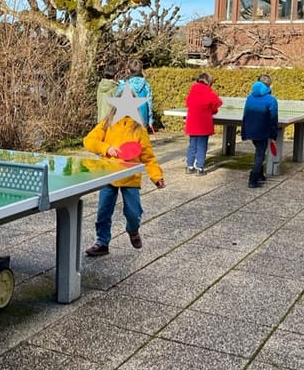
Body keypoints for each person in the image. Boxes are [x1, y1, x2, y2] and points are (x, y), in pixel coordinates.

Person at [82, 100, 166, 257]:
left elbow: (148, 157)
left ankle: (133, 229)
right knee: (103, 212)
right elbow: (89, 141)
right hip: (108, 175)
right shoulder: (107, 124)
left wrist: (157, 176)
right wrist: (106, 148)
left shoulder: (139, 129)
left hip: (130, 177)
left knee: (134, 213)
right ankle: (102, 242)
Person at [240, 79, 278, 189]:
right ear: (269, 87)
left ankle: (260, 175)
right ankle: (253, 179)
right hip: (263, 131)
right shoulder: (271, 100)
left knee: (258, 152)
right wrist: (273, 134)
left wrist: (244, 131)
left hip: (251, 130)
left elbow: (245, 116)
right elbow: (273, 118)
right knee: (260, 155)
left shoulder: (249, 98)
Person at [184, 72, 222, 175]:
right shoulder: (210, 94)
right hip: (203, 125)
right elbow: (218, 104)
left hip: (192, 124)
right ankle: (199, 167)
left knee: (192, 145)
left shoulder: (192, 92)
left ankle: (189, 166)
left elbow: (187, 103)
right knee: (202, 146)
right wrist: (212, 110)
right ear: (209, 82)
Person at [116, 59, 155, 130]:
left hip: (126, 118)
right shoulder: (146, 85)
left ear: (128, 70)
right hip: (143, 117)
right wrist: (150, 120)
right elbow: (149, 104)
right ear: (141, 70)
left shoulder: (123, 85)